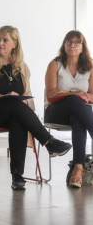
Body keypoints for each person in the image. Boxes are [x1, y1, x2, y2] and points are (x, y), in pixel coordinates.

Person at [0, 25, 72, 190]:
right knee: (14, 104)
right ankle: (49, 142)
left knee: (18, 118)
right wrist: (2, 97)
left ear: (15, 43)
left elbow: (27, 95)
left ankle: (17, 175)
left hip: (12, 114)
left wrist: (24, 103)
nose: (0, 43)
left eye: (5, 40)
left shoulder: (22, 67)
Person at [45, 30, 93, 188]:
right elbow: (51, 96)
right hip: (56, 112)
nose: (72, 45)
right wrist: (74, 94)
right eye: (69, 41)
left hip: (78, 113)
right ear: (64, 45)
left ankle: (78, 169)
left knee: (77, 118)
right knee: (75, 99)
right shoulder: (55, 64)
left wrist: (80, 95)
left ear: (82, 47)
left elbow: (92, 95)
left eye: (76, 42)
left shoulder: (90, 66)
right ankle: (78, 169)